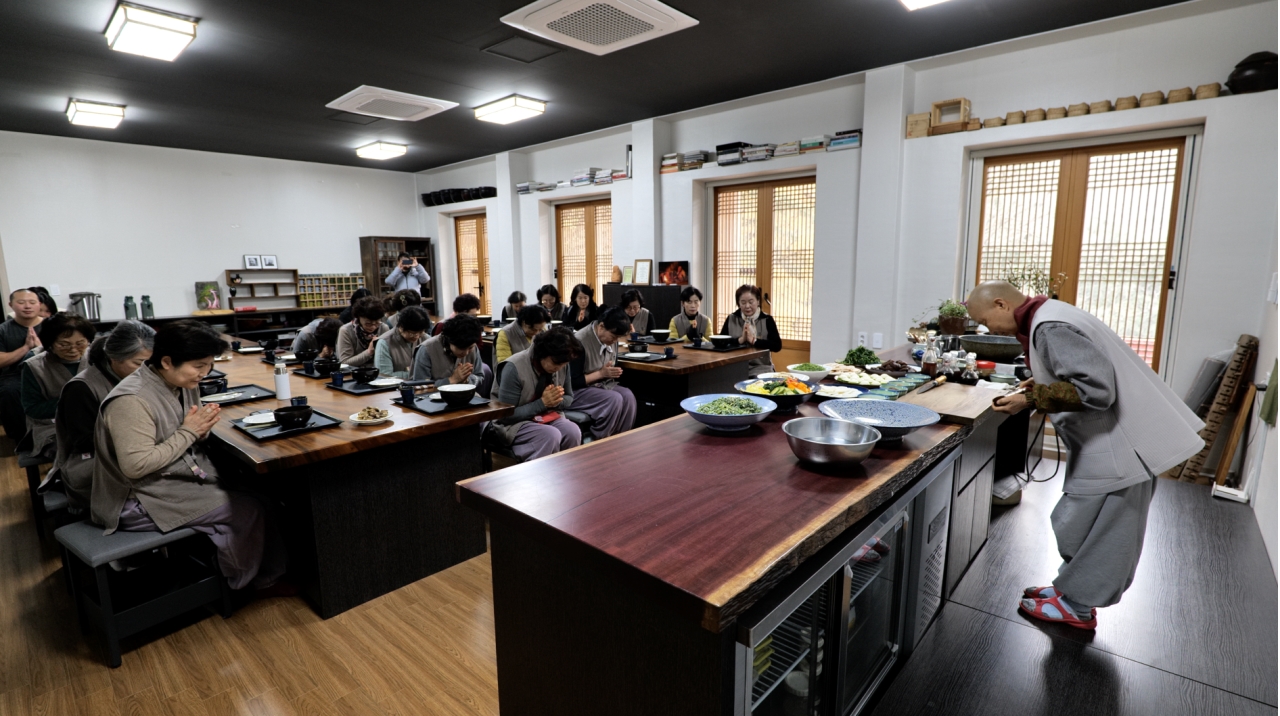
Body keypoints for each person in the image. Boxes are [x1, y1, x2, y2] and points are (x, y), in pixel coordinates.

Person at [965, 281, 1205, 630]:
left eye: (985, 321)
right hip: (1112, 440)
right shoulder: (1048, 314)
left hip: (1120, 445)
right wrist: (1040, 382)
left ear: (1001, 304)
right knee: (1080, 520)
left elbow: (1095, 389)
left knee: (1104, 529)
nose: (988, 329)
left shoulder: (1050, 327)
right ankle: (1070, 589)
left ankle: (1077, 606)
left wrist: (1030, 399)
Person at [91, 320, 287, 592]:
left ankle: (266, 573)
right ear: (167, 361)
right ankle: (243, 585)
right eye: (199, 366)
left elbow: (185, 432)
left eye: (209, 365)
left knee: (261, 493)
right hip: (137, 498)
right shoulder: (131, 400)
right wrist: (190, 432)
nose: (204, 374)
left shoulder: (179, 380)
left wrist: (199, 431)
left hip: (172, 478)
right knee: (246, 510)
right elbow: (136, 466)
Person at [50, 320, 155, 508]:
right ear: (114, 357)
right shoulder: (81, 388)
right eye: (138, 363)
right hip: (94, 464)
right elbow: (84, 441)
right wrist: (141, 435)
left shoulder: (142, 378)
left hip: (134, 453)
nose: (147, 369)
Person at [487, 327, 583, 462]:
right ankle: (539, 474)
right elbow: (505, 416)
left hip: (547, 415)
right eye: (556, 363)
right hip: (514, 423)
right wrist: (543, 403)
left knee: (572, 431)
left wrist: (554, 400)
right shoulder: (514, 367)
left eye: (564, 364)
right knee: (550, 435)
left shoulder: (562, 364)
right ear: (543, 353)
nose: (559, 368)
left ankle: (566, 472)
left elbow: (569, 397)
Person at [21, 313, 95, 457]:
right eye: (64, 345)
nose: (73, 350)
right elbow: (32, 408)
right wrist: (71, 403)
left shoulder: (96, 357)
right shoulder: (35, 365)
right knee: (69, 448)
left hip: (94, 421)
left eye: (80, 343)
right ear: (50, 343)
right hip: (53, 425)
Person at [570, 307, 637, 439]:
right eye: (613, 336)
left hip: (599, 385)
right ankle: (600, 439)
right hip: (575, 391)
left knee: (628, 396)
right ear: (601, 326)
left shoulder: (610, 339)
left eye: (618, 337)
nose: (615, 341)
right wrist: (601, 374)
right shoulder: (579, 341)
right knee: (613, 399)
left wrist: (608, 373)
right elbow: (573, 381)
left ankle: (620, 439)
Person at [412, 314, 493, 398]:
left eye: (470, 348)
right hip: (434, 399)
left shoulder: (473, 346)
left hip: (465, 397)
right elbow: (420, 387)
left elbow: (480, 375)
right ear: (449, 340)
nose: (466, 353)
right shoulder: (427, 349)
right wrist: (452, 379)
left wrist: (467, 380)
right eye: (461, 348)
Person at [0, 289, 44, 442]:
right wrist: (25, 348)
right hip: (16, 375)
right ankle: (23, 440)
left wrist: (40, 348)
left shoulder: (52, 326)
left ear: (39, 304)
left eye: (32, 302)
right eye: (21, 302)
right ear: (11, 305)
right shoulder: (3, 330)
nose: (27, 306)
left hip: (48, 372)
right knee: (9, 391)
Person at [721, 284, 782, 377]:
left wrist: (754, 341)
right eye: (743, 302)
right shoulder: (731, 318)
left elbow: (777, 346)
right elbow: (721, 343)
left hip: (761, 367)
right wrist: (740, 340)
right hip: (734, 366)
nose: (747, 306)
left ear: (758, 301)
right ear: (738, 303)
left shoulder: (767, 319)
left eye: (751, 302)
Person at [374, 306, 430, 379]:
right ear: (401, 327)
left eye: (421, 332)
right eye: (412, 333)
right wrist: (418, 373)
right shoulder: (384, 343)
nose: (417, 336)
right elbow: (385, 375)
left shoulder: (426, 339)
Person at [336, 296, 389, 367]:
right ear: (358, 317)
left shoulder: (383, 328)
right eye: (368, 323)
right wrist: (369, 351)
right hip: (354, 371)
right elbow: (345, 362)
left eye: (377, 323)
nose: (373, 327)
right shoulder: (346, 331)